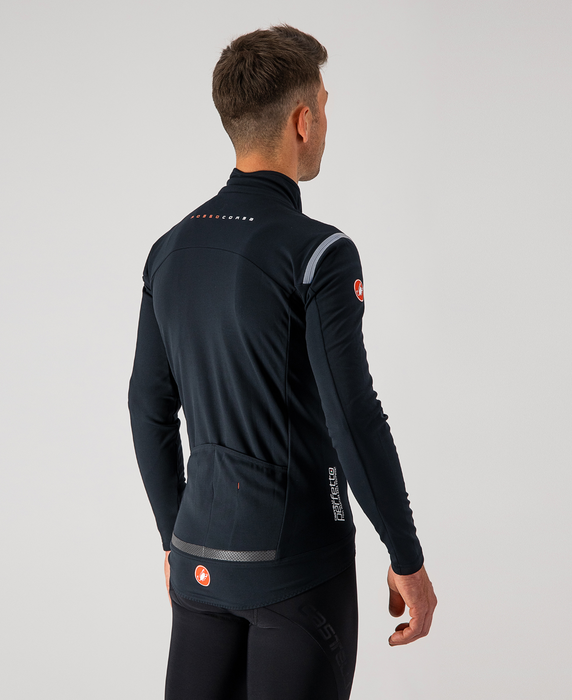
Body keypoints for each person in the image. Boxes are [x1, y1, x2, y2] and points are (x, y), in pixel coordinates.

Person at [128, 24, 437, 700]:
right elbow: (353, 415)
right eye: (324, 105)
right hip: (298, 567)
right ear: (302, 120)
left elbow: (147, 406)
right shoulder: (320, 253)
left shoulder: (169, 250)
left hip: (199, 561)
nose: (325, 121)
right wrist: (406, 556)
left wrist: (175, 539)